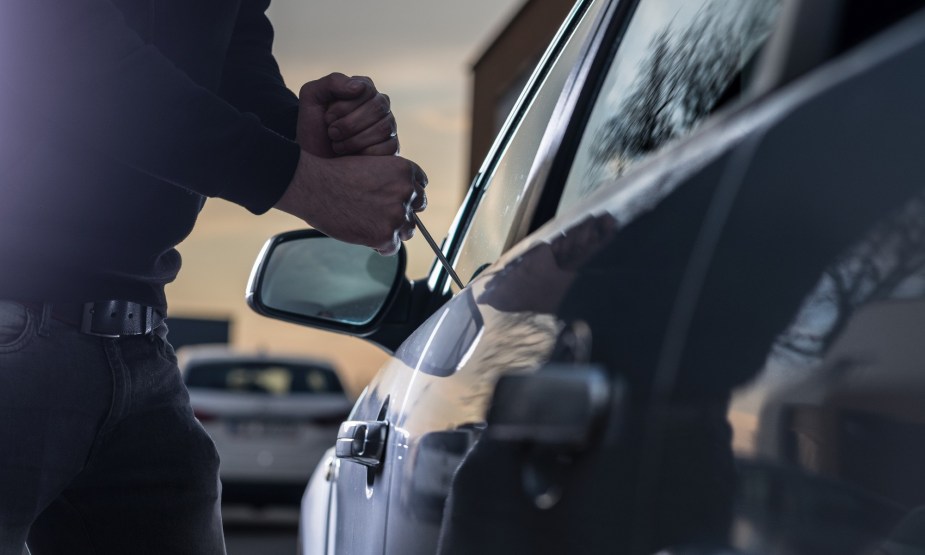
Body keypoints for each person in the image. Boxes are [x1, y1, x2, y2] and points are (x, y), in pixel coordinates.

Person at [0, 0, 426, 552]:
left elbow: (227, 63)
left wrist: (303, 136)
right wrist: (307, 184)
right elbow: (66, 52)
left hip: (139, 343)